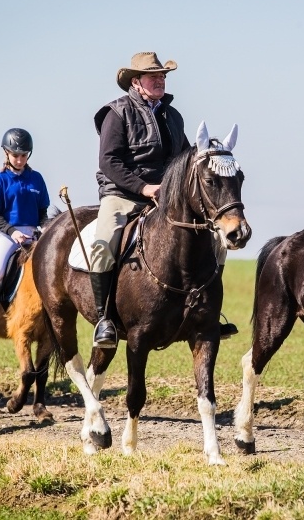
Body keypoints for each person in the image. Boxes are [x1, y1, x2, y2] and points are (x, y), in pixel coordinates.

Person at [90, 51, 237, 348]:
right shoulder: (116, 113)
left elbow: (184, 158)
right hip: (122, 195)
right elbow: (108, 161)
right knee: (103, 244)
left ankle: (210, 314)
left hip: (165, 198)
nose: (160, 80)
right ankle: (104, 319)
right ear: (136, 82)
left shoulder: (173, 115)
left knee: (217, 242)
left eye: (163, 76)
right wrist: (143, 187)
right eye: (153, 76)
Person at [0, 128, 50, 332]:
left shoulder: (37, 179)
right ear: (6, 153)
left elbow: (43, 211)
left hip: (33, 233)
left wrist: (44, 228)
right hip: (7, 234)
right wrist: (12, 231)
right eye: (16, 155)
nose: (20, 160)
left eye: (24, 155)